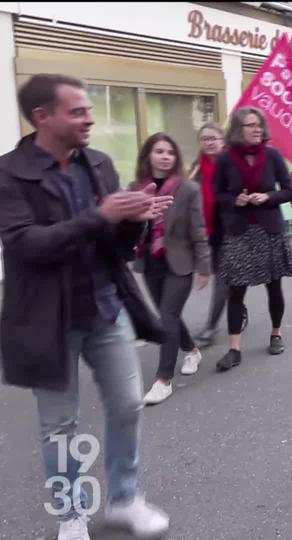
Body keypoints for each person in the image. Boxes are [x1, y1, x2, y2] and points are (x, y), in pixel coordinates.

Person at [0, 74, 172, 540]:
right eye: (77, 111)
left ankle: (124, 500)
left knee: (128, 404)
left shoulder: (96, 163)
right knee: (60, 425)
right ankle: (70, 515)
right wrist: (102, 215)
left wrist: (134, 222)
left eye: (88, 110)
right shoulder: (9, 172)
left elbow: (116, 247)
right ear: (43, 117)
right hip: (45, 318)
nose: (90, 118)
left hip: (105, 306)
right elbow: (24, 245)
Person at [213, 107, 292, 372]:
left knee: (274, 287)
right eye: (250, 125)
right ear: (238, 129)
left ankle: (276, 334)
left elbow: (289, 190)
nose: (256, 129)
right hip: (238, 232)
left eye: (259, 124)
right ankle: (234, 348)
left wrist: (268, 197)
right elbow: (217, 194)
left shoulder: (272, 155)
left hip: (269, 230)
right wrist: (234, 200)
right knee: (236, 291)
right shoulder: (225, 159)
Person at [133, 133, 211, 405]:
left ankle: (163, 379)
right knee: (170, 315)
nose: (165, 156)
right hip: (150, 261)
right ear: (148, 156)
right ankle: (191, 350)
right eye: (159, 151)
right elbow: (129, 226)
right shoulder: (136, 187)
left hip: (180, 263)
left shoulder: (187, 189)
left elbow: (198, 228)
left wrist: (204, 266)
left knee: (166, 316)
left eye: (170, 152)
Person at [190, 122, 235, 349]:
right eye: (204, 139)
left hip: (229, 227)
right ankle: (235, 305)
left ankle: (211, 326)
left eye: (212, 138)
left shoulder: (231, 163)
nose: (208, 142)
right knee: (224, 277)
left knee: (223, 278)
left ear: (223, 141)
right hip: (206, 229)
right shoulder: (197, 167)